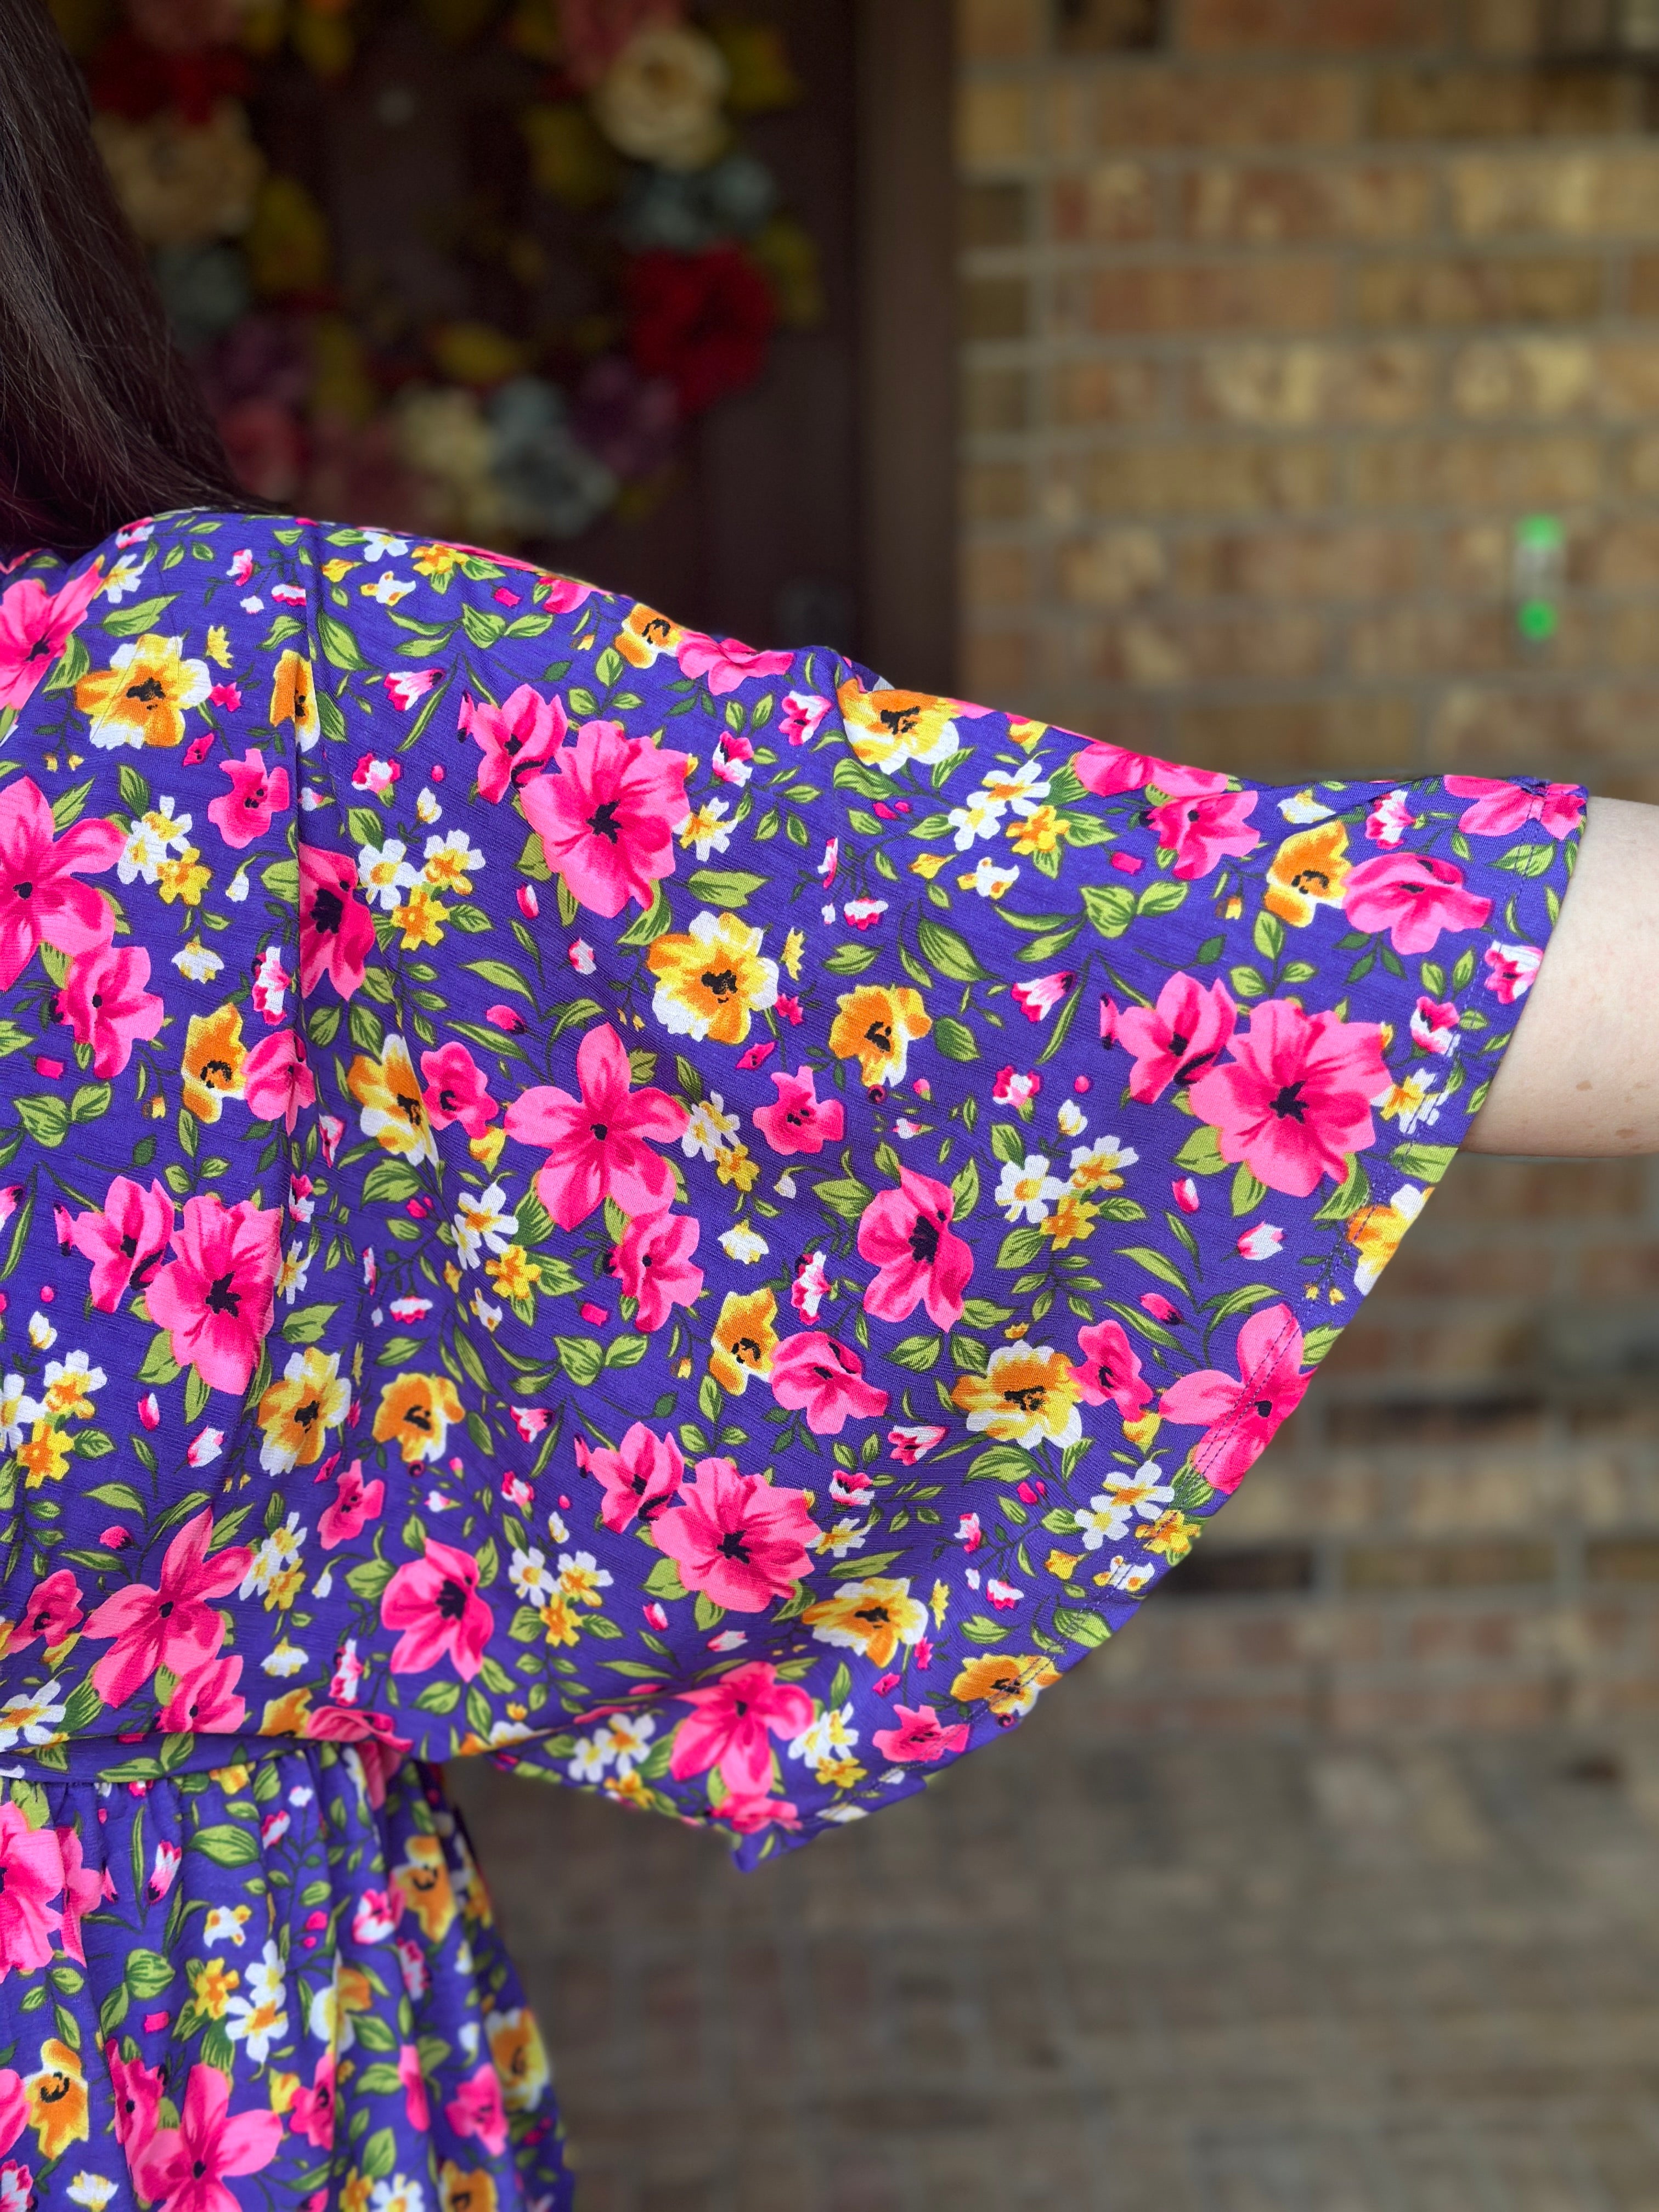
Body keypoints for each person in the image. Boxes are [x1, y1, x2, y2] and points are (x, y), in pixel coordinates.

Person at [2, 2, 1658, 2206]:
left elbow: (1235, 958)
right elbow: (1233, 961)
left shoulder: (205, 722)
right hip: (151, 2055)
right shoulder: (203, 713)